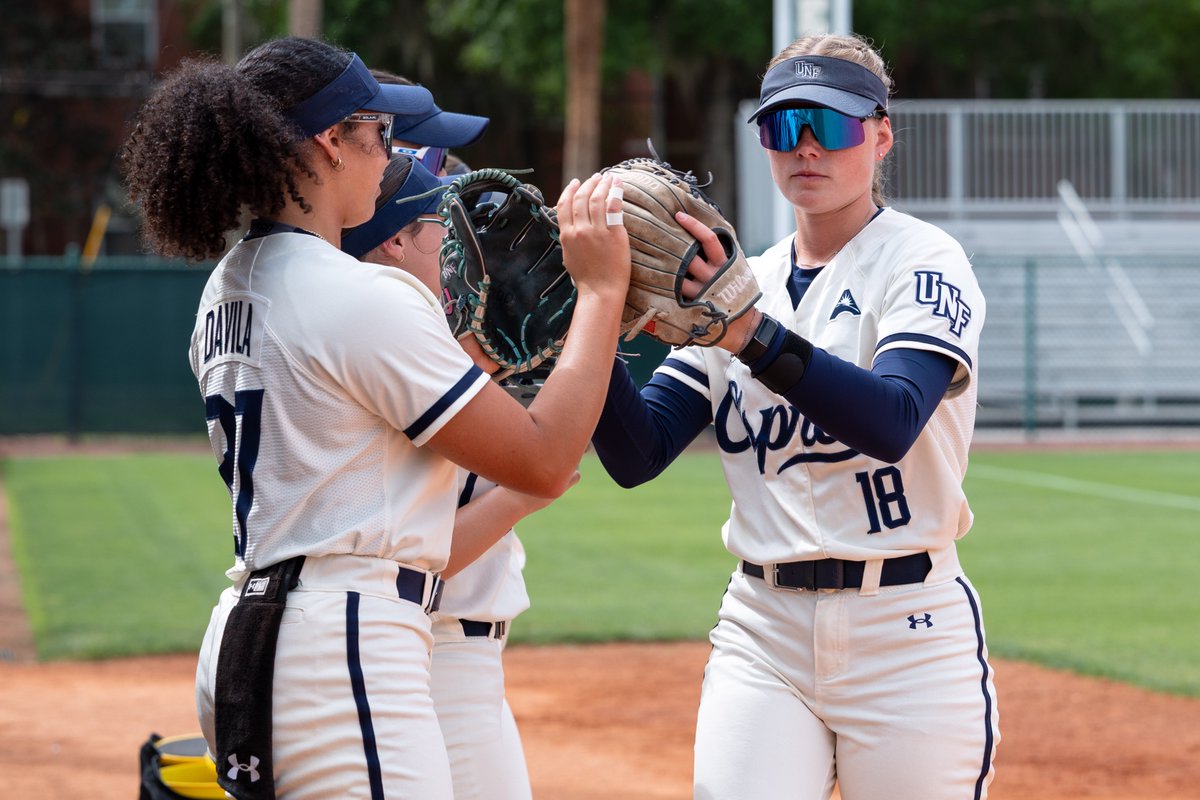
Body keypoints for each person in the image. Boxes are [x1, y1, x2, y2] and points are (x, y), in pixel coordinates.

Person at [120, 35, 629, 800]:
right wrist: (600, 292)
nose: (388, 159)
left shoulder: (226, 288)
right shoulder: (355, 293)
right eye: (379, 136)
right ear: (331, 141)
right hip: (342, 643)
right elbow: (544, 458)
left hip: (251, 630)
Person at [589, 33, 998, 800]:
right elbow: (636, 454)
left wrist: (747, 331)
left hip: (905, 628)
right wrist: (599, 317)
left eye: (832, 125)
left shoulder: (922, 261)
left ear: (881, 134)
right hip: (763, 629)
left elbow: (892, 420)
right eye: (784, 126)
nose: (805, 148)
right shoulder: (745, 282)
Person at [341, 154, 544, 800]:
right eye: (440, 208)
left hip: (433, 650)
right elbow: (425, 549)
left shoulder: (405, 340)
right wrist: (530, 485)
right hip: (437, 652)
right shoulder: (405, 354)